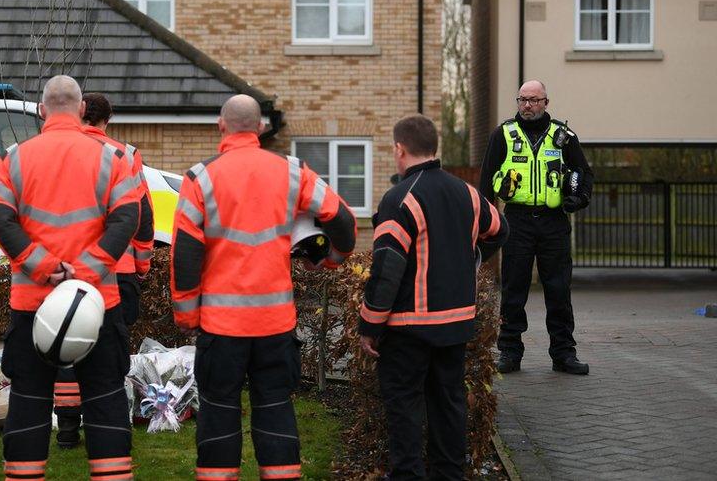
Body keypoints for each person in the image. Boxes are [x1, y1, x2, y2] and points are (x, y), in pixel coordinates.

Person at [170, 94, 357, 481]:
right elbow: (342, 220)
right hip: (275, 323)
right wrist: (330, 259)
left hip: (221, 327)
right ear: (260, 128)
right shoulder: (292, 171)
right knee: (274, 407)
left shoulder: (199, 178)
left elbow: (186, 251)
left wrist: (186, 312)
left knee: (219, 409)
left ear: (221, 126)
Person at [0, 75, 140, 481]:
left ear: (40, 110)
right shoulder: (113, 158)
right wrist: (85, 273)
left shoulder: (13, 158)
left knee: (29, 402)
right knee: (105, 400)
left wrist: (42, 265)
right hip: (96, 302)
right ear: (83, 109)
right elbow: (128, 218)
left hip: (32, 303)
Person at [359, 115, 508, 480]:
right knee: (448, 405)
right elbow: (500, 230)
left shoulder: (400, 199)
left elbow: (387, 270)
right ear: (434, 147)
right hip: (456, 324)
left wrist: (369, 325)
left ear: (400, 149)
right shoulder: (468, 193)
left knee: (405, 409)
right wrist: (470, 260)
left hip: (409, 329)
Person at [53, 92, 154, 449]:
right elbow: (141, 214)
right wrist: (142, 263)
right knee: (109, 352)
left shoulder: (56, 151)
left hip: (63, 272)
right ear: (107, 120)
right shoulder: (124, 155)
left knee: (66, 343)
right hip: (117, 270)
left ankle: (67, 427)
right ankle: (106, 425)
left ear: (80, 114)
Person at [479, 80, 594, 375]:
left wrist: (577, 200)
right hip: (516, 220)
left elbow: (584, 173)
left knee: (558, 290)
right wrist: (486, 220)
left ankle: (563, 354)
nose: (527, 105)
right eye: (522, 100)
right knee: (514, 289)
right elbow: (485, 181)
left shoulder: (563, 136)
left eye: (533, 100)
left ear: (546, 102)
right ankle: (510, 353)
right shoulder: (503, 134)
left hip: (554, 222)